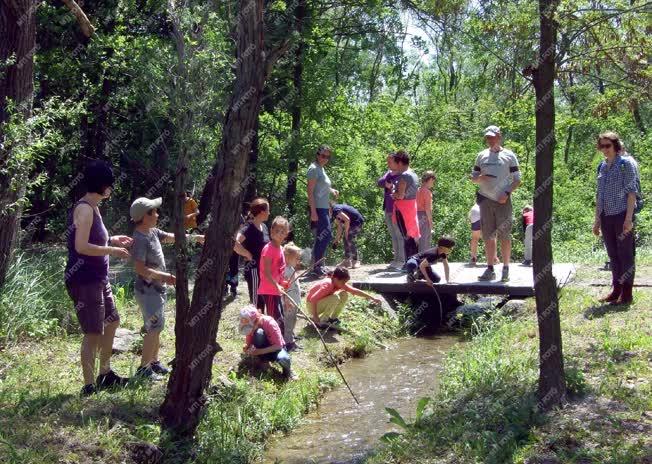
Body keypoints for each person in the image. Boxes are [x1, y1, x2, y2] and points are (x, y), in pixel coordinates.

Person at [64, 160, 132, 397]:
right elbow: (81, 246)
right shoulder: (83, 208)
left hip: (99, 277)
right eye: (109, 185)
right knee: (93, 332)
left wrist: (112, 239)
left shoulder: (94, 207)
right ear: (101, 185)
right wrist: (112, 251)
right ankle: (89, 385)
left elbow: (94, 237)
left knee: (112, 321)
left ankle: (105, 373)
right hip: (85, 279)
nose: (111, 190)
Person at [130, 197, 204, 379]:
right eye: (154, 212)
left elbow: (173, 237)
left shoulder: (152, 232)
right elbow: (139, 268)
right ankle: (144, 369)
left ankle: (154, 362)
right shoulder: (140, 238)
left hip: (156, 290)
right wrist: (166, 277)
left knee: (158, 326)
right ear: (145, 217)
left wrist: (196, 237)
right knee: (153, 327)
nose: (157, 214)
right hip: (148, 292)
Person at [470, 125, 522, 282]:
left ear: (499, 136)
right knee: (488, 236)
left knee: (504, 235)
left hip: (502, 201)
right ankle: (490, 268)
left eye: (493, 136)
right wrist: (480, 178)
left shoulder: (509, 155)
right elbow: (473, 177)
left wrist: (506, 193)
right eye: (488, 137)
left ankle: (506, 268)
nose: (490, 139)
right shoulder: (481, 156)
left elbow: (517, 179)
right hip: (485, 200)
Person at [593, 131, 638, 305]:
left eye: (608, 146)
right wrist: (597, 219)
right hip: (606, 216)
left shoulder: (626, 164)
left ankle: (627, 294)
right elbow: (599, 195)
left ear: (616, 145)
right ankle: (616, 290)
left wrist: (628, 219)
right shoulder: (602, 166)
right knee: (613, 254)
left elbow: (631, 192)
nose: (605, 149)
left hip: (622, 215)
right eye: (601, 146)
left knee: (625, 254)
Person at [306, 266, 382, 328]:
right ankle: (322, 322)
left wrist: (372, 298)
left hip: (317, 304)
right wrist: (315, 316)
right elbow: (313, 299)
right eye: (343, 282)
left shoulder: (336, 282)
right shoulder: (328, 285)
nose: (344, 284)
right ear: (335, 279)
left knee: (344, 294)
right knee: (335, 298)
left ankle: (333, 319)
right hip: (312, 306)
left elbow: (354, 291)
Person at [307, 145, 339, 277]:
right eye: (322, 155)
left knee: (323, 236)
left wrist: (331, 190)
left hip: (324, 208)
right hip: (318, 209)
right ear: (317, 154)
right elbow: (310, 192)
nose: (325, 158)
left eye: (327, 157)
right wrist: (313, 212)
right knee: (326, 236)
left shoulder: (321, 168)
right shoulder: (313, 169)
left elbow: (322, 186)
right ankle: (316, 266)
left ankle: (318, 265)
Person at [239, 305, 296, 380]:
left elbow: (278, 346)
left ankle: (288, 373)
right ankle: (263, 361)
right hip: (262, 350)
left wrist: (259, 352)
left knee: (283, 358)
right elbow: (248, 342)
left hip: (276, 349)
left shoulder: (269, 323)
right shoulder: (251, 326)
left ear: (257, 320)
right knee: (259, 333)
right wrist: (246, 347)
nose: (250, 330)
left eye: (251, 327)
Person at [233, 198, 270, 304]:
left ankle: (262, 321)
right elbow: (234, 243)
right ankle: (254, 320)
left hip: (264, 271)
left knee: (263, 302)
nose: (269, 213)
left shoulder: (264, 227)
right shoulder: (248, 227)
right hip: (253, 270)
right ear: (262, 212)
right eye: (268, 210)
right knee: (256, 303)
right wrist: (246, 253)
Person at [257, 216, 290, 334]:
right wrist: (277, 285)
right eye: (277, 231)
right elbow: (266, 272)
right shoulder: (269, 249)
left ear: (286, 234)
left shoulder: (280, 248)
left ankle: (280, 343)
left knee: (279, 316)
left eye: (283, 232)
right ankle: (276, 344)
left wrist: (282, 283)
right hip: (269, 290)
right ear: (271, 231)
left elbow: (278, 271)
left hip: (275, 289)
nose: (279, 234)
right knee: (275, 319)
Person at [391, 150, 421, 264]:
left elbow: (401, 195)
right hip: (411, 207)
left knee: (406, 236)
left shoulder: (404, 176)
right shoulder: (413, 174)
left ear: (399, 163)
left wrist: (394, 194)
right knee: (411, 235)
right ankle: (413, 262)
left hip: (403, 209)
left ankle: (409, 263)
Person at [377, 155, 404, 269]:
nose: (388, 163)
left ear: (397, 162)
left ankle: (402, 260)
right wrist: (387, 182)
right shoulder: (389, 173)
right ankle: (396, 259)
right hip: (387, 208)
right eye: (387, 161)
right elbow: (380, 182)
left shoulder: (402, 175)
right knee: (393, 235)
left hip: (397, 209)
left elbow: (400, 187)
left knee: (399, 234)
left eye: (390, 161)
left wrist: (392, 184)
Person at [282, 242, 303, 351]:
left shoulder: (291, 269)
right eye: (296, 258)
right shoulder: (285, 270)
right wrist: (286, 301)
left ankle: (291, 337)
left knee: (293, 320)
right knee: (288, 322)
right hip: (289, 302)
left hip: (294, 301)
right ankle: (288, 342)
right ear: (287, 257)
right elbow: (284, 288)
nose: (298, 261)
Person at [331, 202, 365, 269]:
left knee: (349, 237)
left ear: (329, 208)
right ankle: (347, 261)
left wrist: (346, 232)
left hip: (357, 222)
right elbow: (340, 228)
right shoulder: (335, 213)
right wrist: (336, 240)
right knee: (345, 238)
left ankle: (355, 260)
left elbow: (347, 219)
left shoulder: (335, 209)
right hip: (352, 223)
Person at [417, 171, 436, 252]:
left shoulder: (418, 190)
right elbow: (427, 209)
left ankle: (418, 260)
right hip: (424, 216)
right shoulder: (427, 192)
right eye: (433, 181)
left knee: (419, 239)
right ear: (430, 179)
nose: (433, 183)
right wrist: (431, 222)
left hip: (416, 216)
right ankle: (423, 261)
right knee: (425, 240)